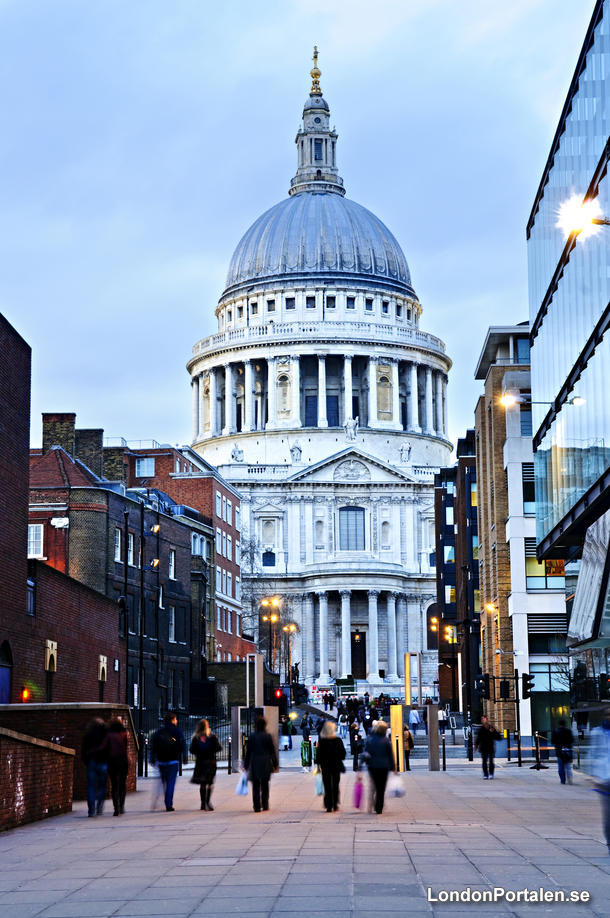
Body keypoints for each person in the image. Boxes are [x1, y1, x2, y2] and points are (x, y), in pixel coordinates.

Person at [150, 712, 187, 812]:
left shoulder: (159, 731)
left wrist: (152, 758)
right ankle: (168, 804)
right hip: (173, 760)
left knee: (164, 782)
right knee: (171, 783)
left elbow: (153, 745)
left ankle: (161, 798)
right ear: (173, 720)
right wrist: (184, 757)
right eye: (176, 719)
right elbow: (183, 744)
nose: (177, 721)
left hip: (161, 761)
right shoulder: (177, 731)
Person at [245, 716, 278, 813]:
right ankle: (265, 804)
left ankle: (257, 806)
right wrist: (275, 764)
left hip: (255, 761)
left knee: (256, 785)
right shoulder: (268, 736)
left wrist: (246, 764)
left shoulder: (252, 736)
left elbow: (248, 752)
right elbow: (272, 751)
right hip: (265, 762)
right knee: (265, 784)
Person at [589, 707, 610, 853]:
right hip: (604, 779)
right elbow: (592, 753)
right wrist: (595, 775)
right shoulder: (596, 732)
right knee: (608, 814)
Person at [190, 718, 222, 811]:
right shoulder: (212, 737)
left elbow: (191, 750)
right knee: (210, 783)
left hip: (200, 762)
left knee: (202, 784)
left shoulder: (196, 738)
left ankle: (203, 804)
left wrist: (198, 752)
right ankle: (208, 802)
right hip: (211, 762)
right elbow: (219, 748)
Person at [364, 720, 396, 814]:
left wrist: (366, 763)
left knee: (374, 785)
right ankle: (379, 807)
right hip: (383, 767)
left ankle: (372, 803)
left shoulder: (370, 739)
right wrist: (393, 767)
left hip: (372, 767)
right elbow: (390, 755)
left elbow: (366, 753)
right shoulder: (386, 740)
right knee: (381, 788)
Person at [316, 721, 346, 812]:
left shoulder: (322, 741)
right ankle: (335, 804)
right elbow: (343, 755)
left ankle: (328, 805)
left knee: (327, 785)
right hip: (336, 766)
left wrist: (318, 766)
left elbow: (318, 756)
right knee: (335, 785)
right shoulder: (338, 740)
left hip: (325, 766)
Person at [82, 717, 109, 817]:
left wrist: (86, 761)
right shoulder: (105, 734)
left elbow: (83, 749)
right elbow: (108, 748)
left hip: (91, 761)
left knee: (91, 787)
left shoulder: (88, 734)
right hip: (102, 762)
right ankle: (99, 808)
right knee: (102, 786)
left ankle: (91, 810)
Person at [106, 717, 128, 817]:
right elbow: (126, 747)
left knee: (114, 785)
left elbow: (105, 748)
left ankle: (116, 808)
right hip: (122, 761)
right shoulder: (124, 733)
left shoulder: (108, 734)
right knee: (122, 784)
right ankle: (121, 805)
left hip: (111, 761)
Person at [551, 719, 574, 785]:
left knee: (560, 766)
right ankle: (569, 778)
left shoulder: (555, 731)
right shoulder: (568, 731)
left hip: (559, 750)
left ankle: (563, 780)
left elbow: (553, 741)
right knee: (568, 766)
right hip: (567, 750)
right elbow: (571, 740)